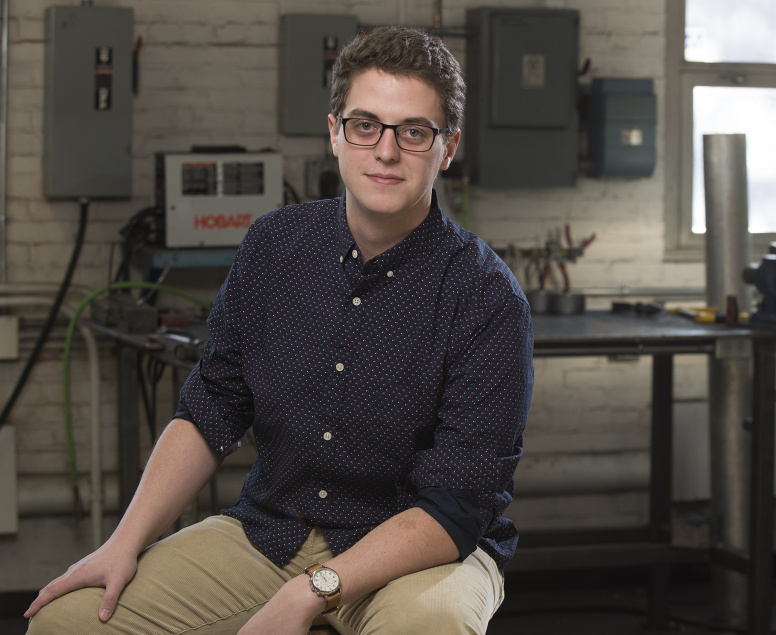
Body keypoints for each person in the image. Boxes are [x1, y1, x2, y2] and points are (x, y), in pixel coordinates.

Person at [25, 26, 534, 635]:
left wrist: (311, 592)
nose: (386, 151)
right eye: (365, 125)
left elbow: (458, 503)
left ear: (447, 147)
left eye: (414, 132)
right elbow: (212, 406)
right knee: (69, 623)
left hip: (419, 547)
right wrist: (123, 543)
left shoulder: (485, 294)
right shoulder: (275, 245)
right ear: (335, 133)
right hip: (273, 530)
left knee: (425, 628)